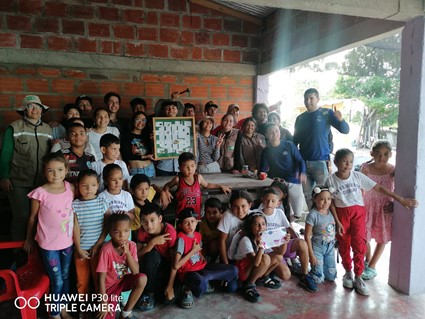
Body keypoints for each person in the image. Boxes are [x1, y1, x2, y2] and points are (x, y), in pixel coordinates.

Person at [325, 148, 418, 296]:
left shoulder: (357, 176)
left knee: (359, 244)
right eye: (344, 161)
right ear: (336, 162)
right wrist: (337, 221)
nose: (348, 165)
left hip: (358, 214)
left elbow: (379, 188)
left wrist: (400, 199)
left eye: (350, 161)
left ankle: (359, 276)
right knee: (344, 243)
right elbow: (330, 202)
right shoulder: (330, 180)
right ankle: (348, 272)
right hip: (342, 215)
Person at [23, 153, 74, 319]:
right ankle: (54, 312)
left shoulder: (70, 188)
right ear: (44, 173)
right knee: (57, 280)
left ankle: (63, 308)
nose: (55, 174)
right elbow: (32, 217)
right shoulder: (39, 193)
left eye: (59, 169)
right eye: (50, 171)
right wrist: (29, 238)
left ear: (66, 170)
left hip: (67, 242)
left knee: (66, 277)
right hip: (48, 244)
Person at [0, 95, 52, 241]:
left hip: (42, 183)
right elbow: (5, 154)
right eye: (30, 106)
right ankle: (18, 251)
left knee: (41, 217)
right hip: (18, 182)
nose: (34, 109)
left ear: (42, 110)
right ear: (24, 110)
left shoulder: (48, 129)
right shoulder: (14, 128)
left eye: (38, 106)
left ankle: (35, 251)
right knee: (22, 216)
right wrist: (4, 177)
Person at [293, 88, 350, 208]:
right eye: (306, 98)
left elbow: (345, 130)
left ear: (318, 99)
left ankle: (325, 222)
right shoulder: (300, 118)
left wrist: (341, 119)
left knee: (324, 194)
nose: (308, 101)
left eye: (311, 98)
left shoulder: (326, 113)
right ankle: (313, 221)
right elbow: (294, 142)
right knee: (308, 195)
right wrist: (296, 163)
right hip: (303, 163)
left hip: (320, 162)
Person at [173, 208, 238, 309]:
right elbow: (176, 265)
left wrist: (201, 256)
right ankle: (189, 286)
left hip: (201, 267)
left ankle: (207, 279)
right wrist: (193, 251)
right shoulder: (181, 239)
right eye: (186, 222)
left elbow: (199, 252)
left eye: (192, 222)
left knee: (233, 269)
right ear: (180, 225)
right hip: (188, 272)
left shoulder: (198, 236)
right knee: (201, 283)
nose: (190, 225)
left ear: (197, 222)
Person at [255, 187, 318, 292]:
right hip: (269, 251)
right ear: (262, 199)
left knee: (302, 243)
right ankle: (273, 267)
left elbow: (289, 227)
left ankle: (304, 275)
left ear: (278, 203)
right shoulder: (256, 213)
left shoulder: (279, 213)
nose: (269, 203)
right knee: (285, 275)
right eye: (267, 200)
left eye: (273, 201)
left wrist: (298, 244)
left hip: (282, 244)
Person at [96, 214, 147, 319]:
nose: (122, 235)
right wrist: (103, 303)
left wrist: (127, 253)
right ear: (110, 233)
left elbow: (136, 272)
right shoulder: (106, 250)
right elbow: (101, 279)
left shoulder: (131, 245)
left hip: (123, 281)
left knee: (142, 279)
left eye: (126, 231)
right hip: (109, 288)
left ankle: (126, 313)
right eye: (117, 232)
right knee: (105, 316)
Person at [361, 140, 397, 280]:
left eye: (386, 154)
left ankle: (372, 266)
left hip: (384, 207)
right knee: (364, 235)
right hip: (367, 205)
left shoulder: (393, 170)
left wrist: (394, 203)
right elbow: (360, 186)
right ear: (371, 154)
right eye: (378, 154)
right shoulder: (366, 168)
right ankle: (367, 261)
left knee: (382, 237)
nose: (382, 157)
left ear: (391, 154)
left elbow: (398, 188)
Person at [72, 169, 109, 302]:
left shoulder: (102, 202)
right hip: (81, 250)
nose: (89, 189)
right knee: (82, 282)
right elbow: (74, 227)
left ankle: (100, 306)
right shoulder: (75, 205)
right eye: (84, 185)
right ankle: (84, 308)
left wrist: (98, 244)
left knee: (99, 280)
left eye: (93, 185)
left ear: (98, 185)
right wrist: (79, 248)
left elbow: (107, 225)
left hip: (99, 250)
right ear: (78, 186)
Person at [162, 152, 231, 219]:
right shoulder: (178, 179)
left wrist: (220, 186)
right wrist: (166, 191)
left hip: (195, 214)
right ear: (180, 168)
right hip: (182, 215)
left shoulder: (198, 178)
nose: (190, 169)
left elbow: (207, 185)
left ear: (195, 166)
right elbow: (167, 186)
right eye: (186, 167)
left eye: (192, 166)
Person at [260, 123, 307, 219]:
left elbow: (300, 160)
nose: (274, 134)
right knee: (277, 208)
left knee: (297, 212)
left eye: (276, 131)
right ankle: (283, 225)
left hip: (294, 180)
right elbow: (263, 168)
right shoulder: (266, 151)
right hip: (278, 182)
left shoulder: (289, 145)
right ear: (267, 135)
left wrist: (302, 172)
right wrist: (261, 173)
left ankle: (291, 224)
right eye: (271, 132)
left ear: (280, 132)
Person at [137, 202, 177, 310]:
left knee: (167, 301)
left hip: (169, 266)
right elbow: (137, 255)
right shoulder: (142, 231)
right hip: (152, 264)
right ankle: (149, 293)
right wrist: (152, 243)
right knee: (151, 255)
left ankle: (179, 288)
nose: (148, 226)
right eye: (144, 221)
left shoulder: (169, 232)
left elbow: (175, 262)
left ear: (160, 219)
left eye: (152, 220)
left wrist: (170, 286)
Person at [233, 212, 281, 302]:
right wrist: (261, 247)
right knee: (266, 258)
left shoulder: (265, 237)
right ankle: (249, 284)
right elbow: (255, 263)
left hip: (254, 265)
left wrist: (284, 241)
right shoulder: (246, 240)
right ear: (250, 227)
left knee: (278, 257)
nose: (261, 227)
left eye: (263, 224)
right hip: (243, 270)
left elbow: (280, 253)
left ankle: (262, 278)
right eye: (256, 224)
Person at [304, 186, 337, 284]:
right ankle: (305, 269)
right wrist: (311, 255)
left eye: (328, 199)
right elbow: (307, 236)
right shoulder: (313, 215)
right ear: (314, 199)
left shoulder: (330, 211)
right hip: (317, 248)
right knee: (318, 278)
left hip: (330, 247)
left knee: (331, 277)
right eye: (322, 199)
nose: (326, 202)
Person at [218, 190, 253, 265]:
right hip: (230, 255)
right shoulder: (228, 216)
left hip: (246, 255)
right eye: (236, 207)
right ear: (231, 206)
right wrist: (226, 264)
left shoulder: (253, 216)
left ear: (250, 205)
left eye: (243, 206)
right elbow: (222, 240)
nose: (240, 210)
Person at [121, 111, 155, 178]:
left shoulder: (147, 135)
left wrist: (154, 141)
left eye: (143, 120)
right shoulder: (126, 135)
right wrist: (145, 157)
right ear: (133, 121)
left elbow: (153, 154)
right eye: (138, 119)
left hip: (149, 169)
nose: (140, 122)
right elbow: (126, 155)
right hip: (135, 170)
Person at [154, 100, 184, 176]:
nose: (171, 110)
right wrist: (153, 140)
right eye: (167, 108)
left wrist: (192, 137)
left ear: (177, 110)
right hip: (163, 166)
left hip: (181, 166)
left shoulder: (184, 125)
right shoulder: (158, 126)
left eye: (173, 108)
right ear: (163, 111)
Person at [129, 173, 157, 239]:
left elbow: (153, 186)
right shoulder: (133, 209)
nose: (144, 192)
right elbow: (136, 230)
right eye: (140, 189)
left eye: (146, 189)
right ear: (132, 191)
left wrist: (163, 193)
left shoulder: (148, 196)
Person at [199, 197, 224, 262]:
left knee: (214, 245)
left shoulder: (224, 220)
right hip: (207, 246)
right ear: (205, 212)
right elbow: (199, 241)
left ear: (220, 212)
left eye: (215, 212)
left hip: (223, 246)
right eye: (208, 212)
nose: (211, 215)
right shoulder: (202, 223)